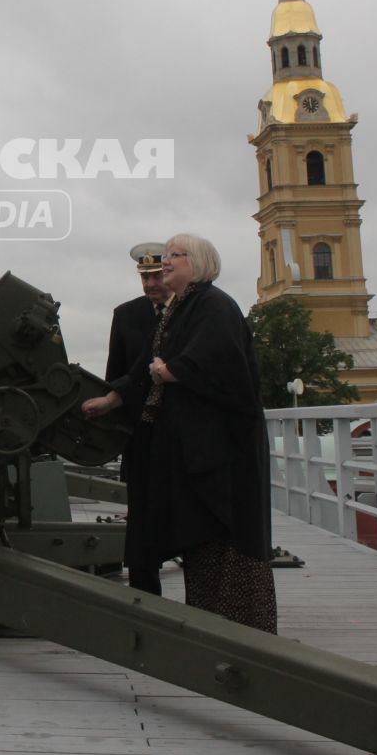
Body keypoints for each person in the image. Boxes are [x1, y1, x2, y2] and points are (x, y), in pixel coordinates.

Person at [83, 234, 277, 633]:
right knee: (199, 537)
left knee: (223, 534)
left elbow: (212, 360)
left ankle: (238, 627)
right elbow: (141, 367)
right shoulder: (183, 309)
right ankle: (209, 621)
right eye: (165, 257)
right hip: (193, 448)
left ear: (199, 262)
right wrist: (110, 400)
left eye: (175, 255)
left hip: (220, 451)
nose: (165, 263)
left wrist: (169, 372)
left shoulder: (213, 306)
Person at [96, 242, 169, 593]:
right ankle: (145, 590)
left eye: (156, 276)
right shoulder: (126, 315)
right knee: (141, 515)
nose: (151, 284)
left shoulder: (187, 312)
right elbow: (118, 371)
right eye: (145, 277)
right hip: (142, 431)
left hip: (182, 429)